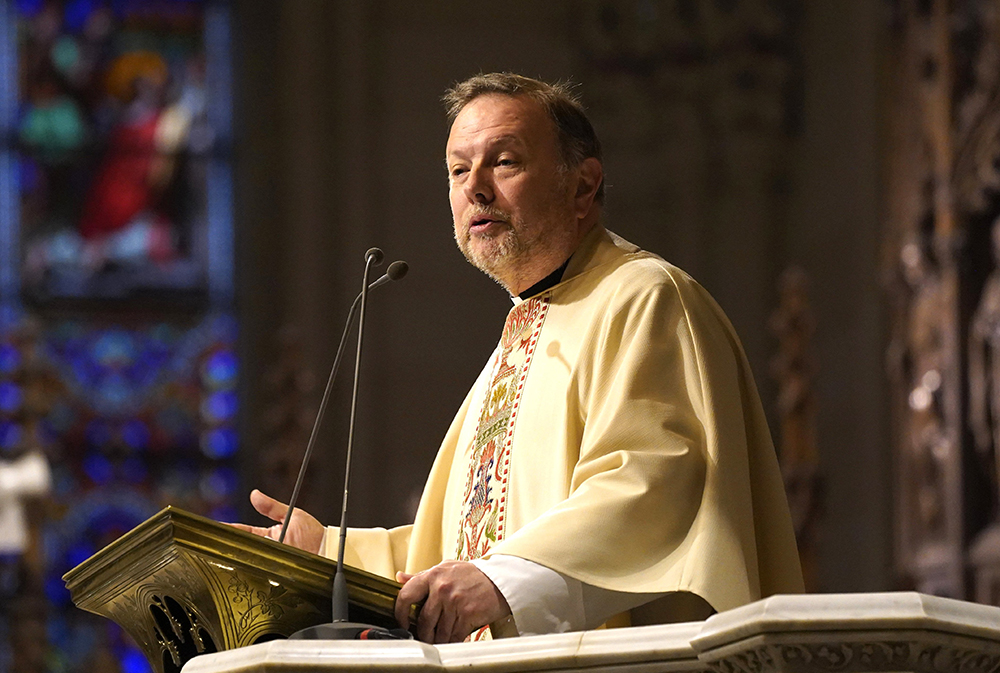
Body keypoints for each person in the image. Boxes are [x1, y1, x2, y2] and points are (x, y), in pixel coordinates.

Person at [235, 73, 803, 644]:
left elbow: (658, 485)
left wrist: (501, 583)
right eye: (459, 170)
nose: (476, 189)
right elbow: (457, 550)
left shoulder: (644, 298)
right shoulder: (521, 335)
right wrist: (324, 553)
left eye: (503, 162)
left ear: (583, 187)